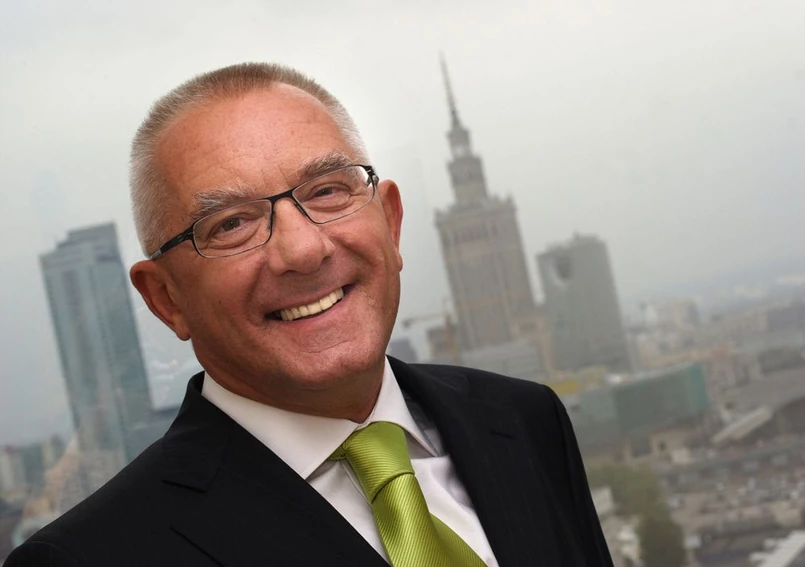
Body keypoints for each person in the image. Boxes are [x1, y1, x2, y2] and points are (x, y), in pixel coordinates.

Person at [7, 63, 613, 566]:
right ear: (166, 298)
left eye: (326, 191)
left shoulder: (526, 420)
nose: (302, 250)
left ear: (391, 222)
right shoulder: (90, 558)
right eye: (231, 223)